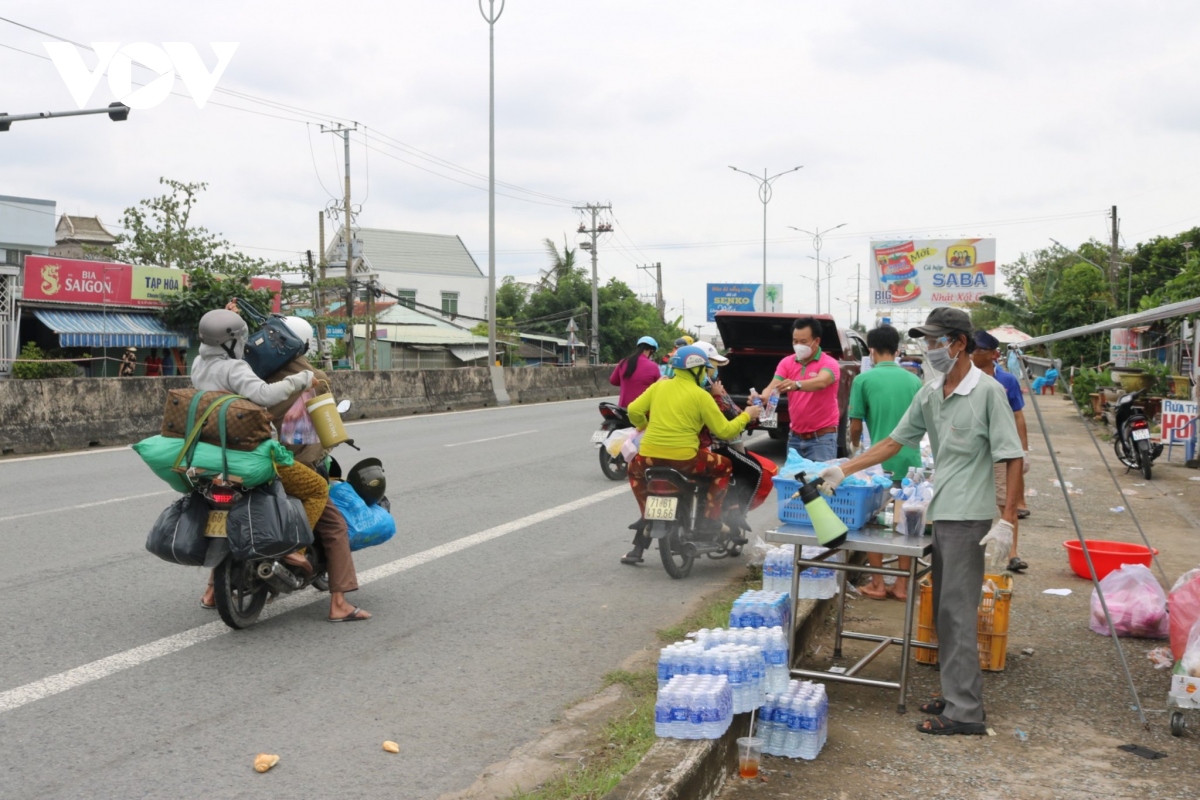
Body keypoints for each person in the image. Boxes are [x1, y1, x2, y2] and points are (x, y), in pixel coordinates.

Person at [820, 307, 1024, 736]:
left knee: (957, 612)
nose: (928, 349)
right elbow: (895, 441)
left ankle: (966, 711)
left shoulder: (988, 392)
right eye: (926, 341)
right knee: (947, 612)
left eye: (935, 341)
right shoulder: (932, 392)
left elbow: (1012, 455)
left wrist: (1007, 521)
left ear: (958, 343)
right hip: (943, 513)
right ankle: (956, 694)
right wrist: (847, 468)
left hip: (970, 517)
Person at [252, 309, 373, 623]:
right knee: (334, 526)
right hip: (295, 467)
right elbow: (328, 433)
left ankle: (212, 590)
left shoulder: (248, 377)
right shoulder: (316, 380)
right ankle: (339, 603)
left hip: (249, 462)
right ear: (302, 346)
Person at [620, 345, 761, 565]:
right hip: (685, 460)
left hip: (647, 457)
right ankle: (711, 519)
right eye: (705, 369)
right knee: (724, 466)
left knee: (633, 470)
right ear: (697, 370)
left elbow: (633, 411)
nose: (707, 373)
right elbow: (725, 431)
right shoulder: (701, 396)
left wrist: (645, 425)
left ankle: (647, 513)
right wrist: (747, 416)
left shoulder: (659, 387)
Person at [847, 325, 923, 601]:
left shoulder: (863, 381)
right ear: (897, 349)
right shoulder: (914, 381)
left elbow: (855, 427)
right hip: (912, 463)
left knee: (871, 524)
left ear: (871, 350)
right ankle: (902, 587)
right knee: (906, 526)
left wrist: (856, 450)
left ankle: (878, 583)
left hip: (879, 465)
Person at [972, 330, 1032, 572]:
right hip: (973, 451)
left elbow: (1018, 416)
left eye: (979, 350)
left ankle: (1013, 554)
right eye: (972, 349)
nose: (974, 354)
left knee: (1007, 502)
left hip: (999, 451)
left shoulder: (1006, 381)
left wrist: (1024, 450)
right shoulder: (964, 377)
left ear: (993, 354)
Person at [762, 317, 841, 461]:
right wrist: (762, 397)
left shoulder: (829, 363)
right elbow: (773, 385)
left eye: (803, 342)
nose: (798, 345)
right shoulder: (787, 362)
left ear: (816, 341)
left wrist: (796, 385)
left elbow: (821, 382)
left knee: (819, 482)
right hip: (795, 437)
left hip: (822, 438)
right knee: (793, 482)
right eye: (795, 341)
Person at [609, 336, 660, 407]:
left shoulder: (623, 361)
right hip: (642, 409)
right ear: (651, 350)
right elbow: (659, 387)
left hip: (623, 408)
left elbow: (613, 381)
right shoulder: (653, 366)